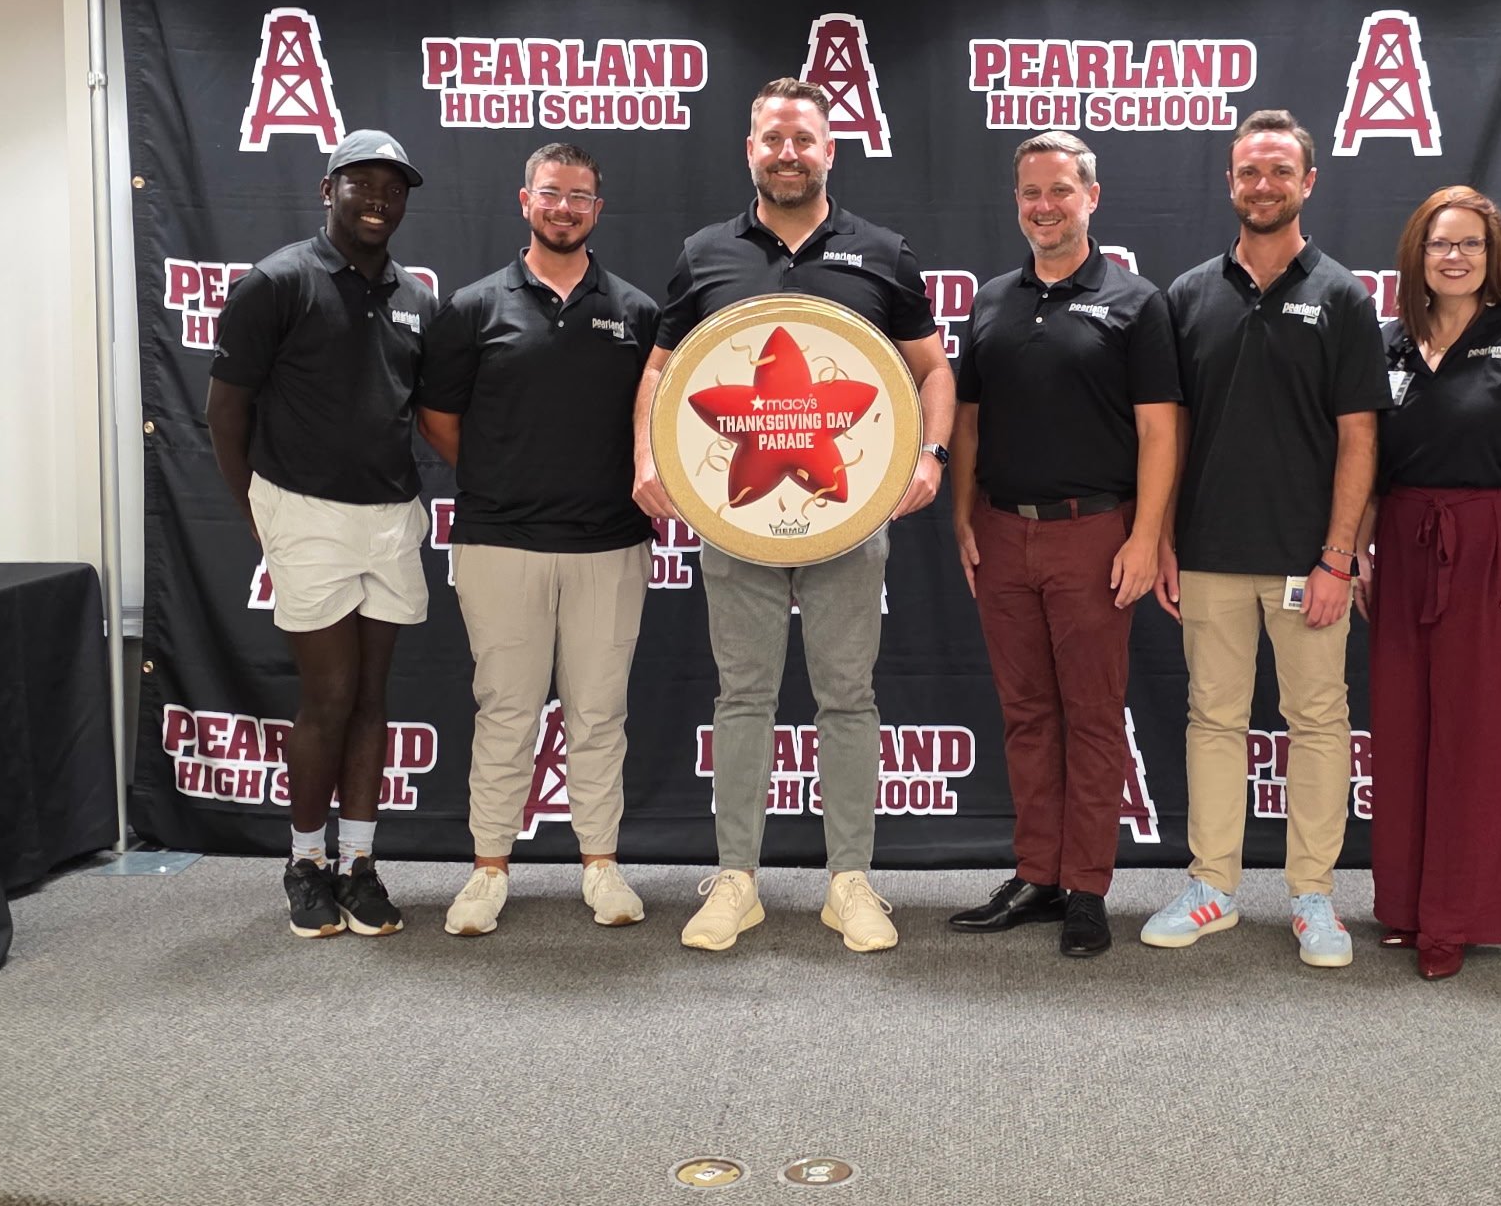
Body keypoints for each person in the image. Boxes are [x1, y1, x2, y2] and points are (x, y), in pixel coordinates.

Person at [633, 77, 955, 954]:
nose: (787, 152)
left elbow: (931, 369)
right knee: (743, 695)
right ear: (750, 150)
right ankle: (737, 878)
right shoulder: (706, 252)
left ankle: (848, 881)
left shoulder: (881, 252)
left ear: (829, 150)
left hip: (849, 519)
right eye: (772, 137)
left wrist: (929, 454)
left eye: (803, 139)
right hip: (735, 520)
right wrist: (646, 457)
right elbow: (664, 373)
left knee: (847, 696)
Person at [1142, 110, 1389, 966]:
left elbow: (1360, 438)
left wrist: (1337, 555)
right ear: (1230, 182)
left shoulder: (1344, 295)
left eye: (1280, 171)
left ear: (1307, 182)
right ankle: (1213, 886)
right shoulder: (1186, 295)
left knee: (1317, 722)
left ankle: (1314, 897)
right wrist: (1166, 540)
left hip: (1306, 562)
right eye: (1250, 172)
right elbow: (1168, 431)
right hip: (1209, 554)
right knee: (1212, 720)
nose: (1263, 185)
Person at [416, 143, 660, 937]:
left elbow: (650, 424)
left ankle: (601, 866)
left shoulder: (636, 311)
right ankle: (488, 870)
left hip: (610, 545)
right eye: (551, 194)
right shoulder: (473, 307)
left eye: (579, 196)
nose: (564, 208)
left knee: (598, 713)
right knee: (506, 712)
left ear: (598, 208)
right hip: (500, 543)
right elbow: (441, 419)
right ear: (525, 201)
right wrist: (505, 472)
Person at [946, 132, 1180, 958]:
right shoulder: (989, 299)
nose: (1043, 206)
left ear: (1091, 197)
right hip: (1003, 534)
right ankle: (1037, 874)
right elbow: (967, 420)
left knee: (1091, 716)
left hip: (1094, 534)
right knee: (1026, 715)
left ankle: (1087, 885)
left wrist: (1146, 537)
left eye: (1059, 191)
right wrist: (963, 518)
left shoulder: (1134, 301)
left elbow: (1160, 431)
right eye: (1029, 194)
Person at [206, 128, 434, 939]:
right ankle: (305, 862)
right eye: (361, 184)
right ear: (326, 190)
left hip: (391, 516)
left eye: (394, 188)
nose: (378, 200)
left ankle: (360, 866)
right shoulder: (279, 280)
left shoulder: (416, 295)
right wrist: (260, 515)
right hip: (303, 512)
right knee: (328, 696)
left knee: (373, 698)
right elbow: (225, 412)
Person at [1357, 186, 1501, 981]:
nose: (1454, 257)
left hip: (1495, 547)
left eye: (1471, 246)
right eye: (1440, 244)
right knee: (1408, 724)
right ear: (1416, 254)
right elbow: (1369, 465)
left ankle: (1461, 915)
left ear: (1495, 258)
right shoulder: (1389, 342)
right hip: (1405, 543)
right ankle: (1411, 904)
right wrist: (1360, 552)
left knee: (1481, 732)